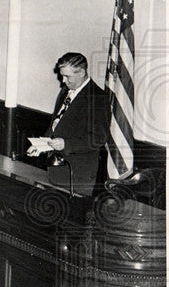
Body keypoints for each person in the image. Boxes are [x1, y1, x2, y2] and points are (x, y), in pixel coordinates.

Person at [26, 52, 109, 195]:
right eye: (62, 75)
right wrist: (41, 146)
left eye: (68, 76)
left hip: (77, 176)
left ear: (82, 72)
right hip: (56, 170)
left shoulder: (97, 98)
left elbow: (98, 138)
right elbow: (56, 124)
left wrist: (66, 144)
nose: (63, 81)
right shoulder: (66, 91)